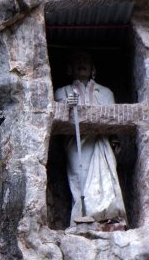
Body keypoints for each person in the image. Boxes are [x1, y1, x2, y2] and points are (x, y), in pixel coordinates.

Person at [53, 51, 126, 226]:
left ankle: (108, 216)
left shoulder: (106, 92)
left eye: (86, 60)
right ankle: (83, 216)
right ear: (69, 68)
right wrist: (66, 105)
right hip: (76, 142)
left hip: (100, 141)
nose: (82, 63)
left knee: (106, 175)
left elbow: (113, 118)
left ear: (93, 68)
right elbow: (58, 114)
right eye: (77, 60)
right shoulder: (63, 91)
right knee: (81, 177)